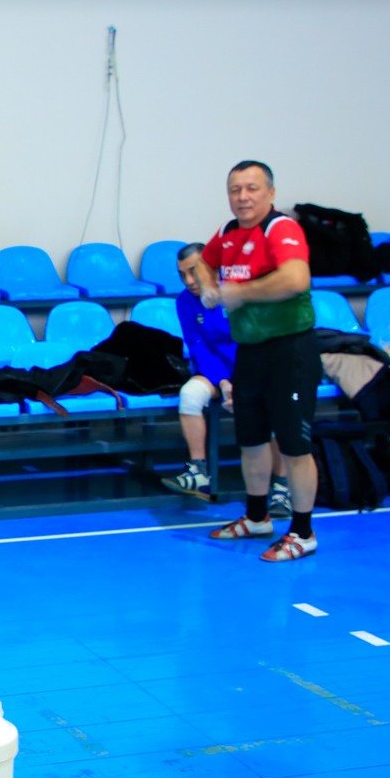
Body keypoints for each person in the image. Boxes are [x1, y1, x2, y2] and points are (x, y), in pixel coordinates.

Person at [199, 161, 322, 561]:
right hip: (250, 350)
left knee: (294, 446)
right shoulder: (227, 231)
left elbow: (296, 279)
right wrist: (209, 286)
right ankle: (256, 518)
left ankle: (302, 532)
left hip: (290, 351)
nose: (242, 197)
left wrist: (241, 291)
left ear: (270, 193)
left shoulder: (281, 228)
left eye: (252, 188)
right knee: (251, 440)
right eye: (235, 189)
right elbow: (203, 261)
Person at [160, 243, 290, 515]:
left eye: (194, 272)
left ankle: (282, 488)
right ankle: (198, 471)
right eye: (182, 275)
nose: (189, 281)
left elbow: (255, 340)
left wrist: (242, 382)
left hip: (254, 366)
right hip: (216, 371)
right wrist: (223, 382)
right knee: (190, 394)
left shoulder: (238, 291)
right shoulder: (184, 302)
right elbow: (198, 347)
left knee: (274, 408)